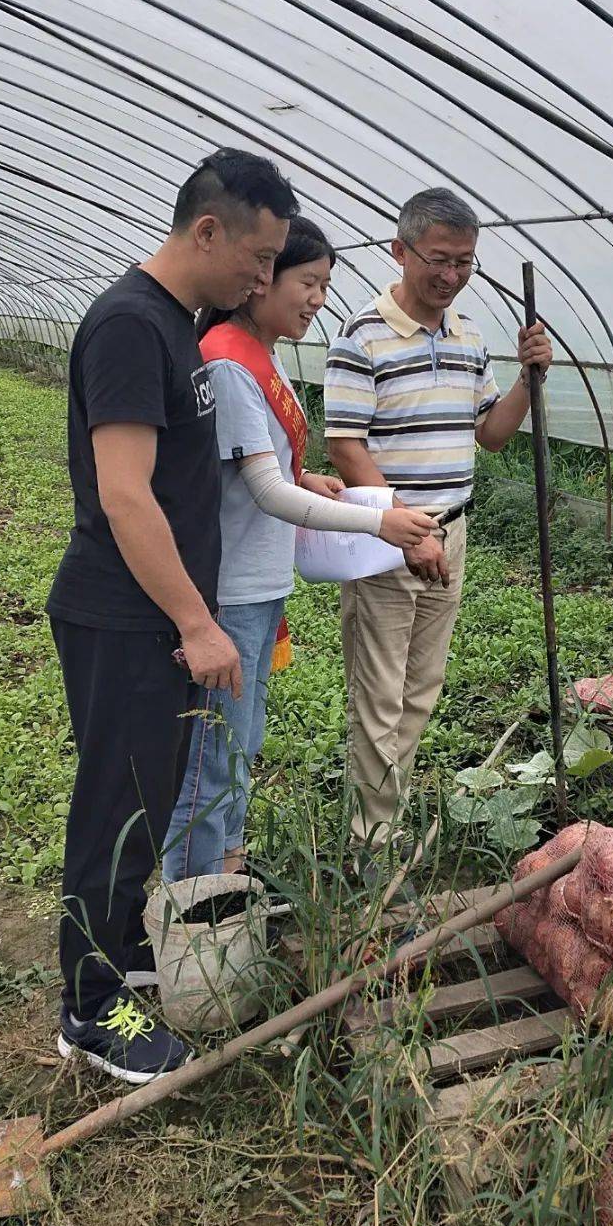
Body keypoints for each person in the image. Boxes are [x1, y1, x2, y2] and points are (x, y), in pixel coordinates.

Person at [46, 148, 299, 1083]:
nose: (265, 278)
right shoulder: (127, 325)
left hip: (148, 616)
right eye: (260, 257)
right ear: (208, 232)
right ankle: (88, 1006)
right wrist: (199, 624)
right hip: (124, 615)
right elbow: (126, 497)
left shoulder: (173, 324)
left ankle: (112, 953)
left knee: (146, 805)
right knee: (116, 805)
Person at [162, 217, 435, 883]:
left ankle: (227, 872)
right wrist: (372, 524)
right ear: (260, 283)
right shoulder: (230, 362)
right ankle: (195, 904)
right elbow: (261, 489)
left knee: (239, 743)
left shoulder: (260, 355)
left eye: (325, 285)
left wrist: (303, 476)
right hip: (229, 592)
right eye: (308, 282)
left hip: (255, 584)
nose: (318, 298)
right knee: (213, 754)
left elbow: (258, 471)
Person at [324, 187, 553, 862]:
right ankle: (372, 843)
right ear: (401, 251)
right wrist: (409, 530)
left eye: (465, 262)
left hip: (450, 532)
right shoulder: (360, 336)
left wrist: (526, 381)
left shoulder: (469, 337)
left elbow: (491, 436)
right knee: (380, 693)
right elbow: (344, 443)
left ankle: (380, 817)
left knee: (421, 688)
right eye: (439, 259)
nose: (451, 275)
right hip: (388, 538)